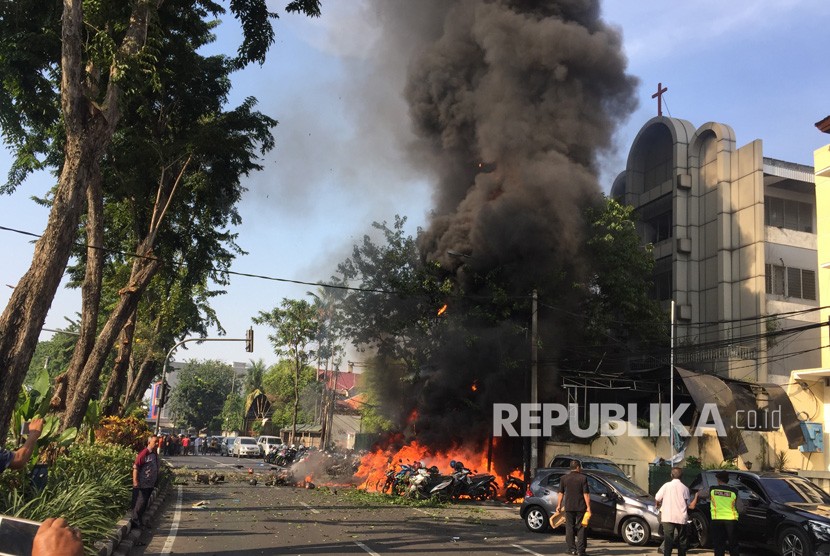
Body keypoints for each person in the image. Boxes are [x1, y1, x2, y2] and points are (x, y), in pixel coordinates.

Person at [555, 460, 591, 556]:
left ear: (570, 468)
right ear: (578, 467)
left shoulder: (564, 478)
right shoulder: (583, 478)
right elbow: (586, 494)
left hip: (569, 506)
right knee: (581, 528)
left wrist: (558, 505)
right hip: (580, 507)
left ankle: (571, 549)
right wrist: (588, 507)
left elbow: (560, 493)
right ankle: (581, 551)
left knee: (569, 528)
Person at [655, 467, 693, 556]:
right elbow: (688, 504)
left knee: (668, 541)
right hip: (681, 518)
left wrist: (657, 505)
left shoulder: (666, 486)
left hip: (667, 516)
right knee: (682, 541)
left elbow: (657, 498)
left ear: (671, 475)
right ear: (682, 476)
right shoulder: (685, 488)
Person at [131, 435, 159, 530]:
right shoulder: (144, 453)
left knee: (144, 504)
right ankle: (135, 522)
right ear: (149, 442)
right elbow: (136, 467)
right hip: (143, 484)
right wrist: (135, 481)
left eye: (157, 442)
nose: (157, 444)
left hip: (150, 484)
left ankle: (139, 521)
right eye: (155, 442)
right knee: (140, 503)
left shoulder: (154, 454)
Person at [709, 471, 740, 556]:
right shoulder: (734, 491)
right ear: (728, 480)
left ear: (718, 480)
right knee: (733, 545)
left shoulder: (712, 490)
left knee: (718, 545)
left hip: (716, 520)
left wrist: (697, 494)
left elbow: (702, 494)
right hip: (731, 521)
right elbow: (741, 509)